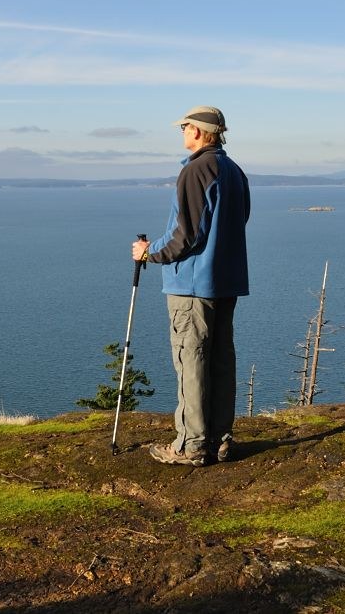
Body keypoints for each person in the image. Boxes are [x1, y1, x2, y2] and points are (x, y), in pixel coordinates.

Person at [132, 106, 250, 466]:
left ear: (198, 131)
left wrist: (149, 252)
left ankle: (191, 444)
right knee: (220, 359)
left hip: (193, 285)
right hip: (225, 280)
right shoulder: (234, 171)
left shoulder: (196, 170)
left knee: (192, 359)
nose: (182, 132)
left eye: (184, 127)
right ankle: (219, 439)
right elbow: (238, 220)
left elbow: (186, 235)